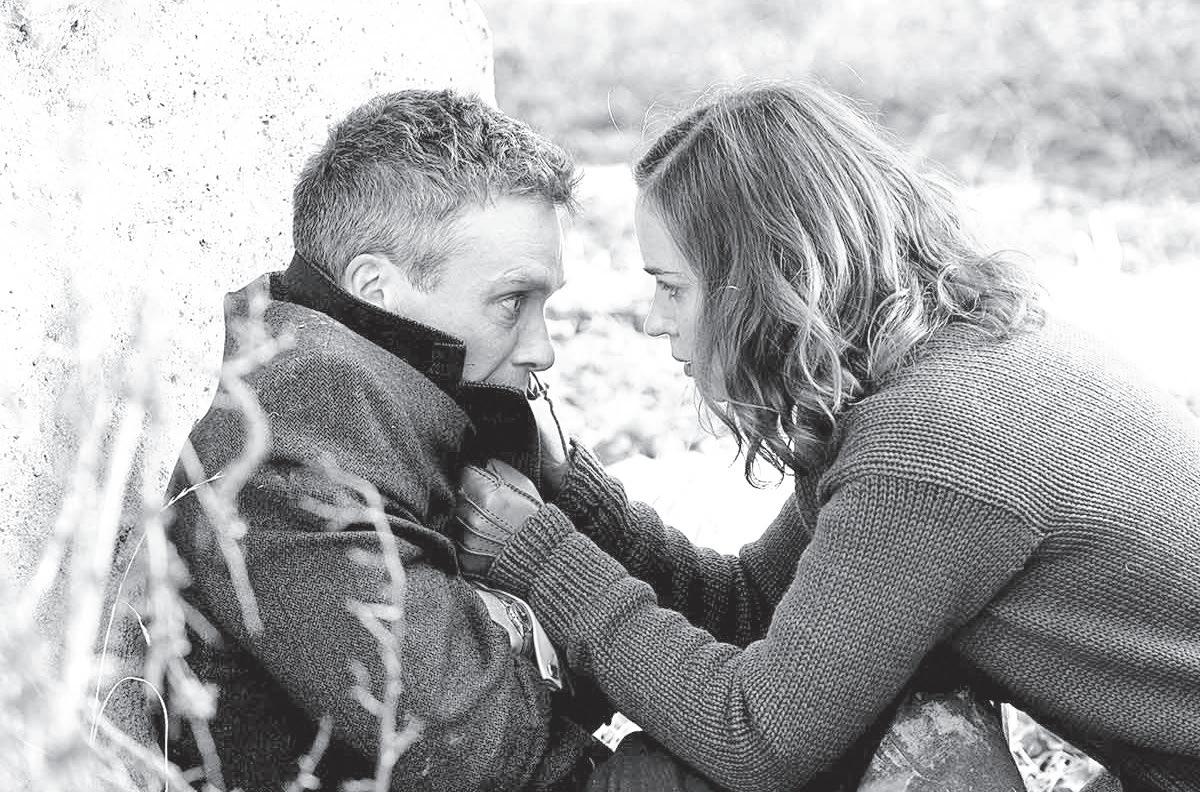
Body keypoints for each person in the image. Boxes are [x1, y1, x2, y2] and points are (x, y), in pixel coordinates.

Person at [451, 82, 1200, 792]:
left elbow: (756, 738)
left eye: (672, 286)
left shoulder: (932, 446)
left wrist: (545, 560)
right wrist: (583, 502)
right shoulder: (936, 363)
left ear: (765, 278)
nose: (654, 319)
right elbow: (757, 607)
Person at [163, 89, 609, 791]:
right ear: (375, 287)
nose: (542, 350)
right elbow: (480, 750)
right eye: (512, 302)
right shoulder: (298, 442)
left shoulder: (392, 401)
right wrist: (541, 628)